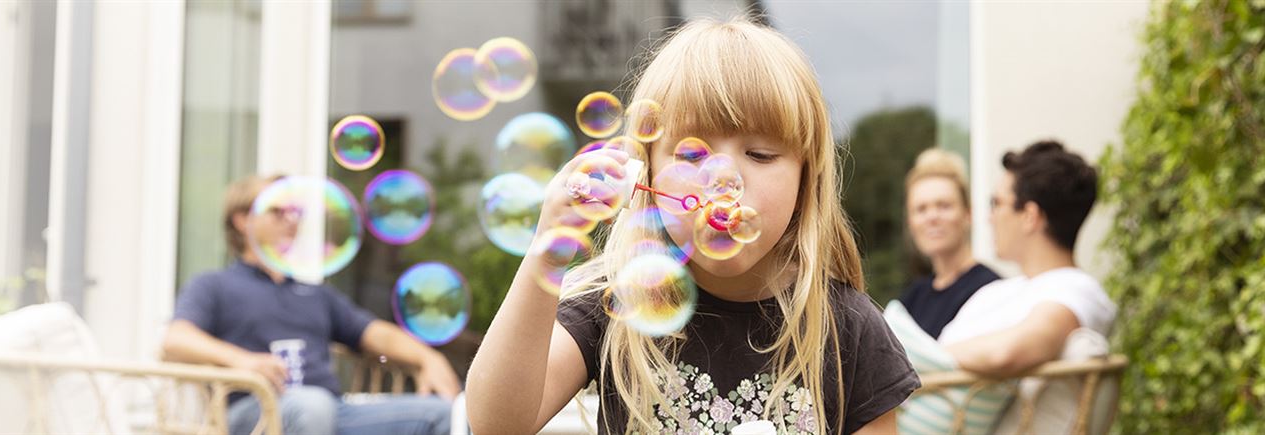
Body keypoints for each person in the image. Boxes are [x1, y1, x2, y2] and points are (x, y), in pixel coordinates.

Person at [466, 17, 917, 435]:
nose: (723, 180)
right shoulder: (615, 302)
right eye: (691, 155)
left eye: (759, 155)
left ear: (806, 180)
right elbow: (497, 424)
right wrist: (550, 247)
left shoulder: (848, 330)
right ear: (646, 175)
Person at [160, 175, 460, 435]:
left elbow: (375, 333)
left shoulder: (315, 294)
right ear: (242, 220)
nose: (291, 220)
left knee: (442, 414)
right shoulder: (214, 285)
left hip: (331, 412)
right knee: (312, 406)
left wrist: (427, 358)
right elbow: (176, 340)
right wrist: (243, 360)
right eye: (278, 211)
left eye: (296, 212)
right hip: (255, 413)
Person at [940, 140, 1115, 377]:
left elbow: (1005, 353)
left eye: (997, 204)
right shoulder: (996, 292)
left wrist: (921, 358)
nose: (989, 218)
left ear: (1029, 216)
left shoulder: (1077, 292)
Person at [899, 149, 1001, 338]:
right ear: (910, 222)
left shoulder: (992, 290)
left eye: (944, 206)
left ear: (968, 214)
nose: (932, 217)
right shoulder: (910, 301)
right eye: (921, 209)